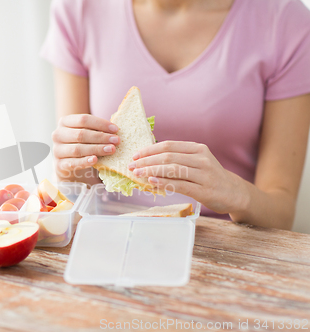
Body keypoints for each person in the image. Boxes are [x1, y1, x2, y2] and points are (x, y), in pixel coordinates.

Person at [40, 0, 310, 230]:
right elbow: (83, 184)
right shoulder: (78, 8)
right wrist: (70, 165)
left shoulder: (285, 20)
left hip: (230, 246)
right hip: (113, 233)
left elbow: (281, 213)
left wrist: (234, 192)